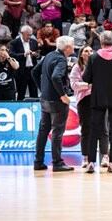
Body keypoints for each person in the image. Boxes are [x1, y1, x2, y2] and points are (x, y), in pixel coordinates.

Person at [83, 31, 112, 173]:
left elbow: (86, 78)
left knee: (94, 130)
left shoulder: (93, 57)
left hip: (98, 97)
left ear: (101, 42)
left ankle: (91, 162)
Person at [34, 35, 74, 171]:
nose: (73, 48)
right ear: (67, 47)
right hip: (56, 101)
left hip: (45, 99)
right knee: (57, 131)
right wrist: (62, 95)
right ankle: (57, 162)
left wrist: (43, 89)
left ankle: (38, 161)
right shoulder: (61, 59)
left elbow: (34, 72)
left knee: (43, 131)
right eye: (72, 46)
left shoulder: (49, 55)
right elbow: (56, 76)